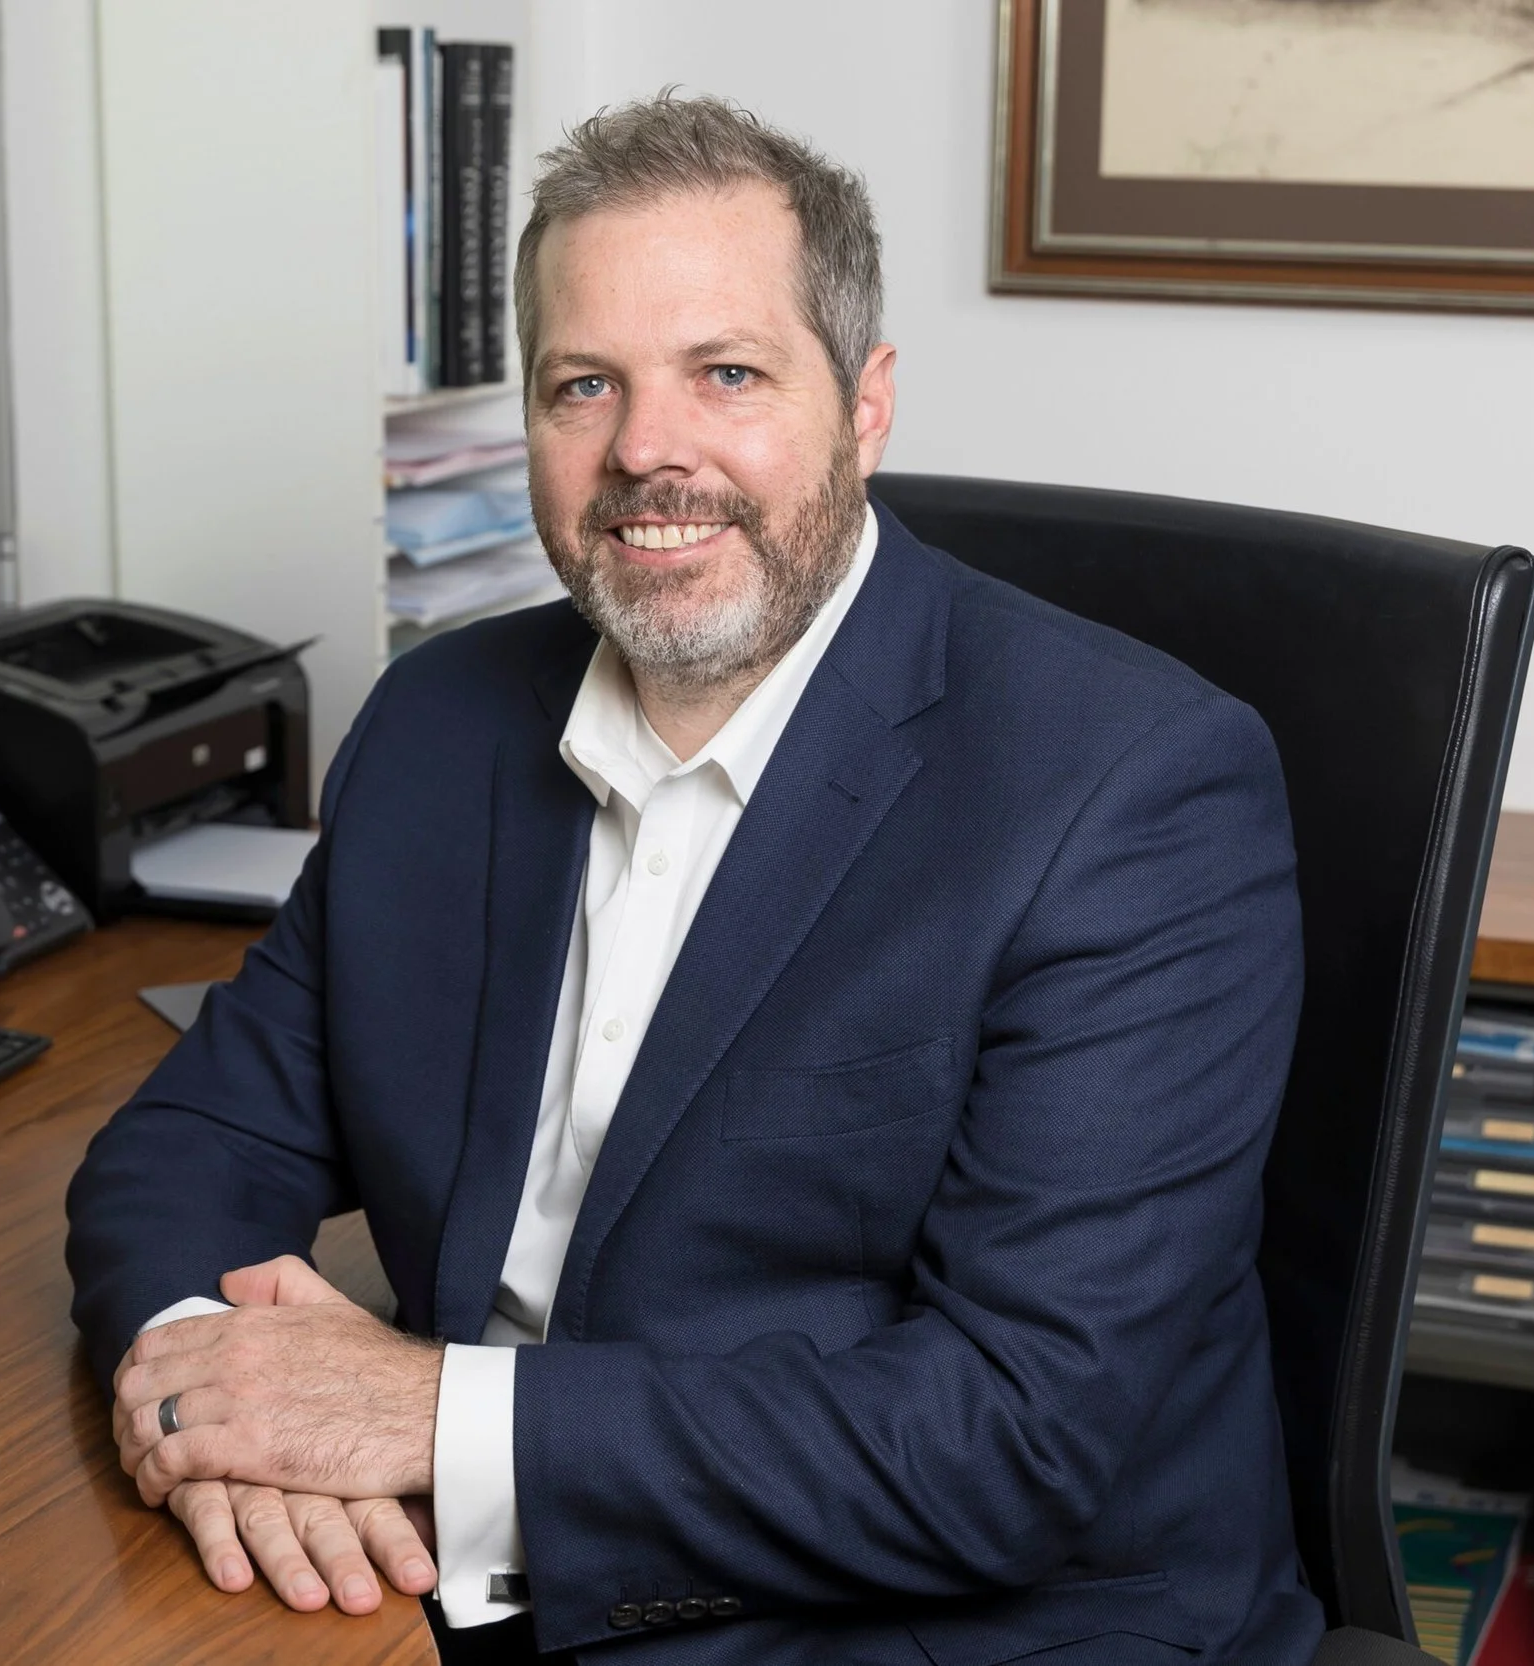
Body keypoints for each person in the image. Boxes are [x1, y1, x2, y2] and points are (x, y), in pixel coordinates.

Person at [67, 92, 1325, 1664]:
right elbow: (196, 1137)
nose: (646, 449)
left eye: (725, 373)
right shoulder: (436, 729)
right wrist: (213, 1384)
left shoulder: (1136, 789)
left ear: (866, 405)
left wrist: (428, 1413)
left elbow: (1011, 1436)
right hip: (445, 1572)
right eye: (583, 384)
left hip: (938, 1623)